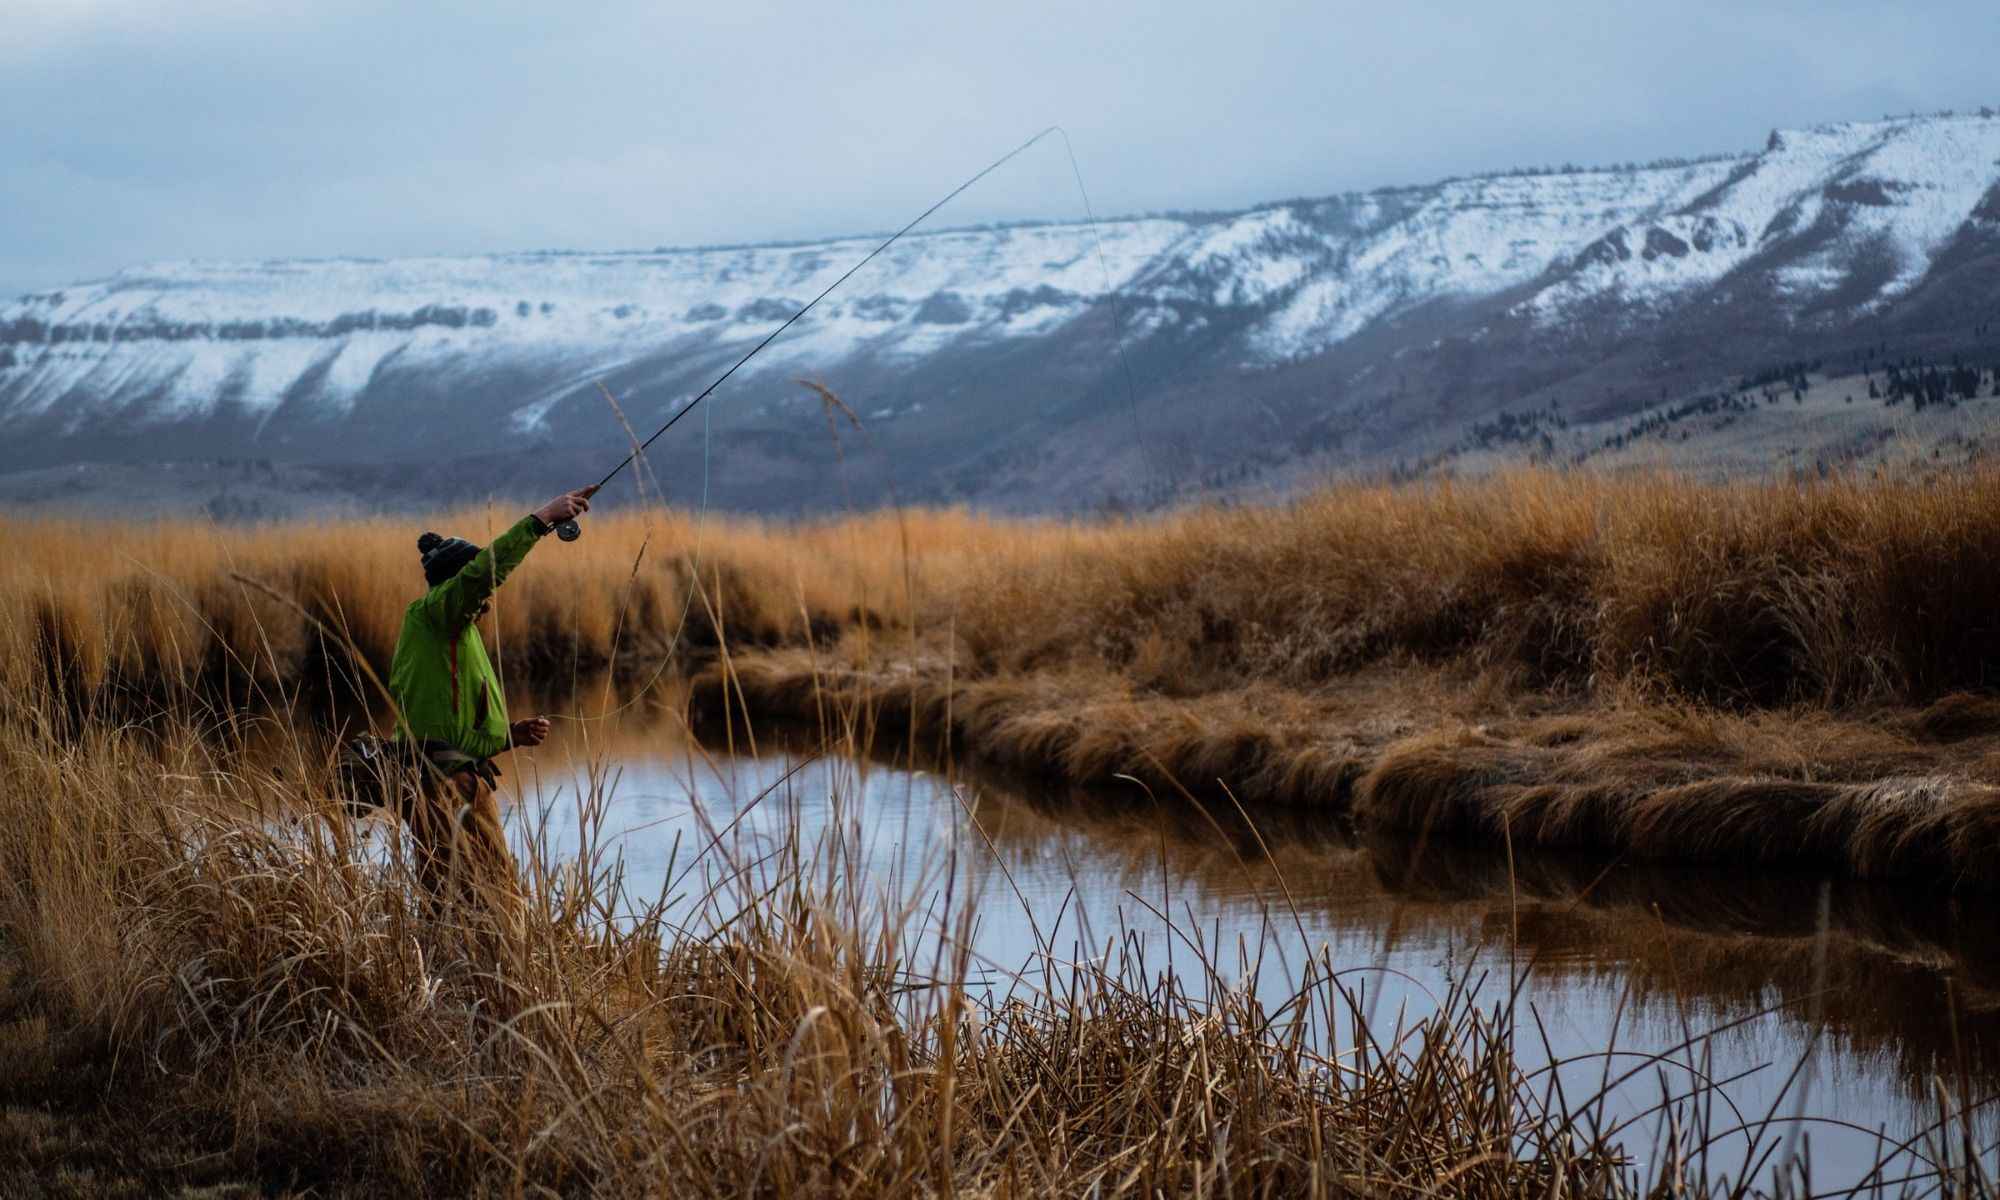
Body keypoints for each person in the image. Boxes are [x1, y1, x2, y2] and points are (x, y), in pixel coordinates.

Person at [383, 487, 594, 916]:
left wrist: (507, 736)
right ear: (455, 585)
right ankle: (480, 977)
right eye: (475, 588)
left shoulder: (454, 634)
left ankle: (473, 974)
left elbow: (444, 720)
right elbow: (481, 574)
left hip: (456, 778)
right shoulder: (437, 613)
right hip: (442, 785)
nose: (487, 597)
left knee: (474, 900)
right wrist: (541, 519)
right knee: (480, 903)